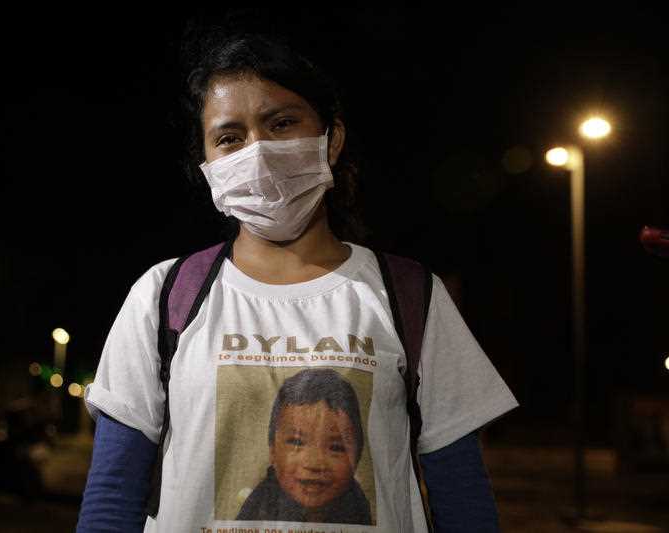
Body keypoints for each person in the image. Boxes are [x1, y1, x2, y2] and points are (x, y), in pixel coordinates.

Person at [76, 20, 519, 533]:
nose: (257, 151)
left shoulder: (408, 295)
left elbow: (461, 494)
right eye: (229, 137)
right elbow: (113, 494)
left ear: (331, 140)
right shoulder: (164, 294)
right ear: (208, 163)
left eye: (281, 124)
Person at [236, 368, 372, 524]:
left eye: (336, 447)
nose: (314, 463)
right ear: (272, 451)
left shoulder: (358, 508)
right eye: (296, 442)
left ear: (357, 457)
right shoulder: (258, 506)